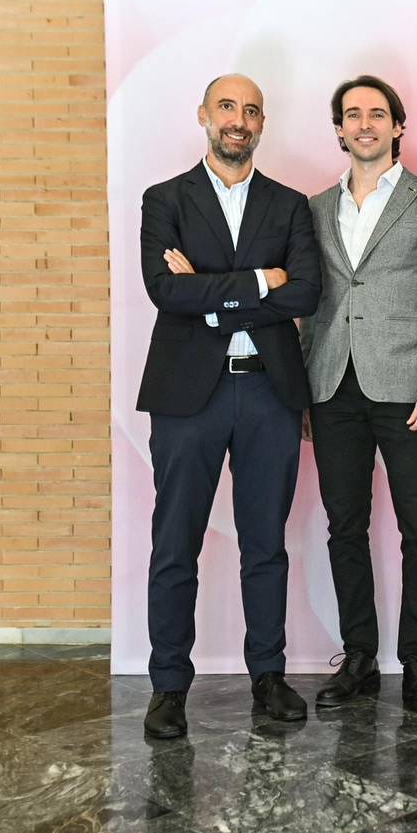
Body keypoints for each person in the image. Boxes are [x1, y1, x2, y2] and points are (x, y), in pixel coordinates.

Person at [136, 74, 321, 738]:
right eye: (226, 108)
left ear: (262, 123)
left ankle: (268, 677)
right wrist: (257, 283)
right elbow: (164, 289)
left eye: (250, 110)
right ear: (204, 117)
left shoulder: (290, 205)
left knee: (265, 545)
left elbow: (303, 294)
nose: (237, 119)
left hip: (270, 393)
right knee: (174, 543)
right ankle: (168, 687)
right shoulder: (165, 199)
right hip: (188, 397)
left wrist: (211, 288)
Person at [302, 74, 417, 713]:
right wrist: (302, 393)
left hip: (410, 393)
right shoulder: (316, 208)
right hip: (331, 388)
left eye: (378, 114)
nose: (365, 124)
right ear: (340, 129)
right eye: (353, 114)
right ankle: (359, 660)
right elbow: (308, 306)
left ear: (398, 126)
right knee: (343, 528)